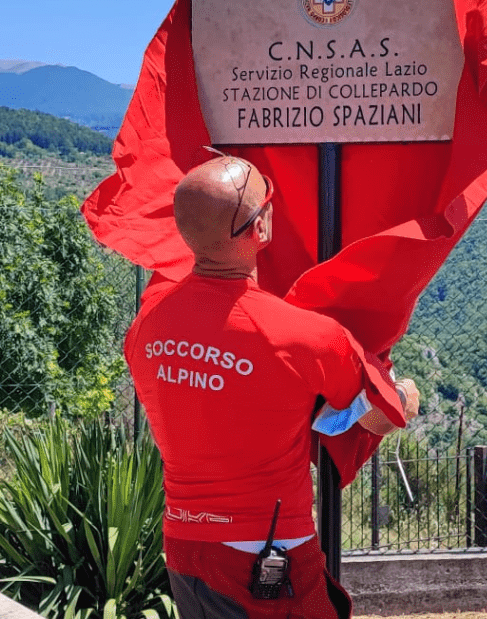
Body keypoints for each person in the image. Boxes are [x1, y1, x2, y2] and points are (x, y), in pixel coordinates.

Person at [124, 154, 419, 619]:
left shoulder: (147, 326)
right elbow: (379, 415)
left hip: (184, 549)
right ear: (260, 227)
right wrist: (405, 393)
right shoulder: (305, 337)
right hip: (268, 558)